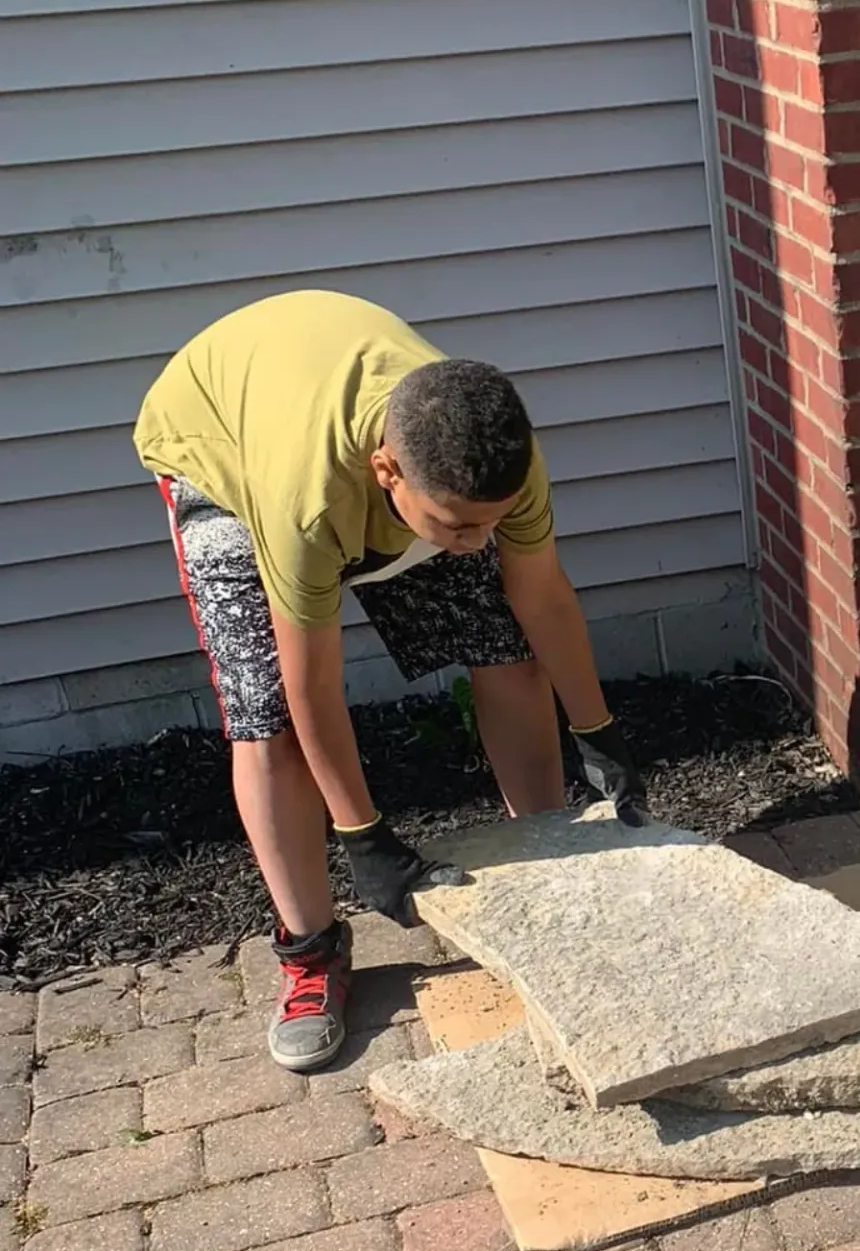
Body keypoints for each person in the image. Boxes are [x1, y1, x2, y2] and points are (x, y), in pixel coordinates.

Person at [133, 289, 646, 1074]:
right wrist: (363, 836)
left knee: (506, 646)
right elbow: (312, 689)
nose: (478, 544)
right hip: (223, 451)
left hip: (352, 440)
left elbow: (539, 594)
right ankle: (310, 953)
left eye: (492, 520)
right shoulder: (304, 506)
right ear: (387, 471)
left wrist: (595, 730)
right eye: (457, 525)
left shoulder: (495, 463)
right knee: (264, 716)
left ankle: (547, 882)